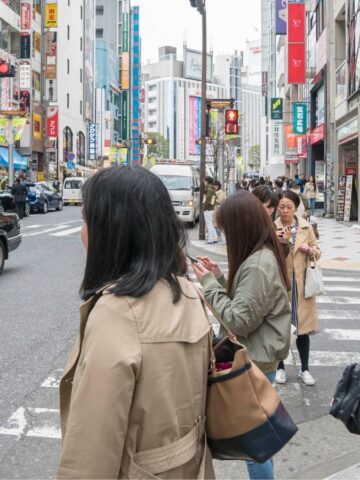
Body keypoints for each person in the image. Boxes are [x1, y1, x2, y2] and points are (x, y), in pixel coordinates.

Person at [57, 166, 215, 479]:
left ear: (110, 232)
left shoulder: (116, 314)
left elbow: (90, 455)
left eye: (86, 221)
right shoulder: (185, 292)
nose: (82, 232)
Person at [192, 191, 291, 480]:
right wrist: (220, 278)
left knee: (253, 447)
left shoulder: (258, 263)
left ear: (240, 227)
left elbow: (240, 320)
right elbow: (249, 305)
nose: (224, 237)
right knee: (258, 442)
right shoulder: (260, 256)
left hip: (254, 361)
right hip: (259, 357)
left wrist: (209, 285)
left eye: (226, 231)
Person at [275, 190, 321, 387]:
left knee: (302, 330)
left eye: (289, 207)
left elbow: (317, 252)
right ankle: (279, 368)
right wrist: (282, 242)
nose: (285, 211)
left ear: (296, 208)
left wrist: (310, 251)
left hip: (300, 285)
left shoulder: (305, 226)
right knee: (279, 328)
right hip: (281, 284)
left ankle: (305, 369)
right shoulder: (271, 227)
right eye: (282, 206)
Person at [252, 185, 291, 257]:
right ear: (255, 204)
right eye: (268, 207)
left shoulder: (271, 224)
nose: (271, 211)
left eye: (273, 207)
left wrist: (283, 241)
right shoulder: (247, 226)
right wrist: (271, 238)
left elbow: (281, 257)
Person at [203, 176, 218, 244]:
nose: (204, 182)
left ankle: (210, 239)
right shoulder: (212, 189)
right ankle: (215, 238)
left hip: (208, 209)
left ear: (207, 181)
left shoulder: (209, 189)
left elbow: (208, 198)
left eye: (204, 181)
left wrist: (205, 207)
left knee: (209, 224)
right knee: (211, 224)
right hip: (211, 208)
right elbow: (214, 198)